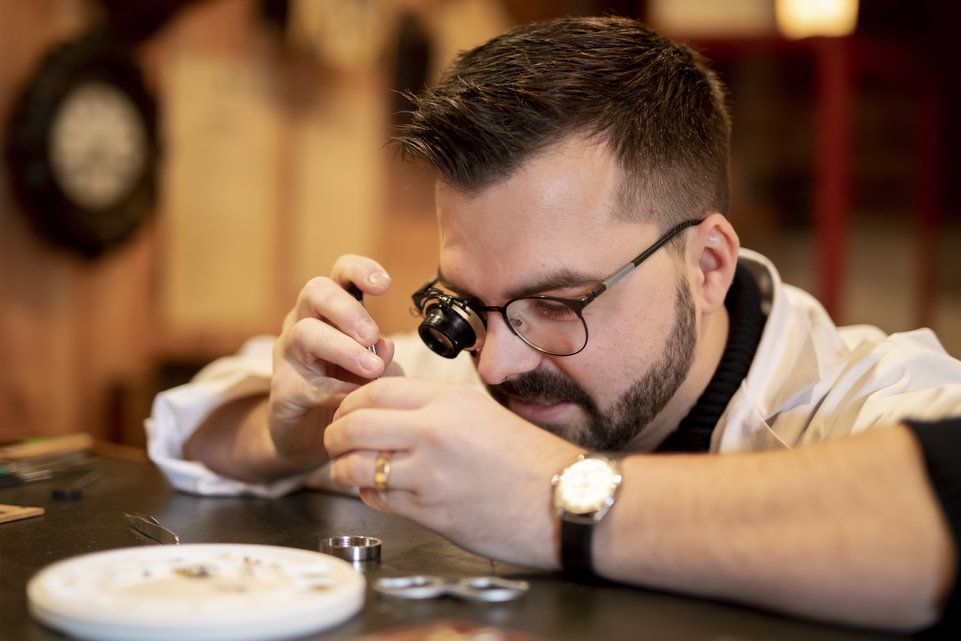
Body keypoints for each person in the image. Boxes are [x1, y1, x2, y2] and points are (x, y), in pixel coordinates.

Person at [147, 16, 961, 633]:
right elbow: (196, 428)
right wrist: (289, 434)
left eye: (558, 303)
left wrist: (548, 500)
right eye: (465, 302)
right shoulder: (481, 356)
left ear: (706, 265)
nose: (496, 364)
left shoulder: (867, 397)